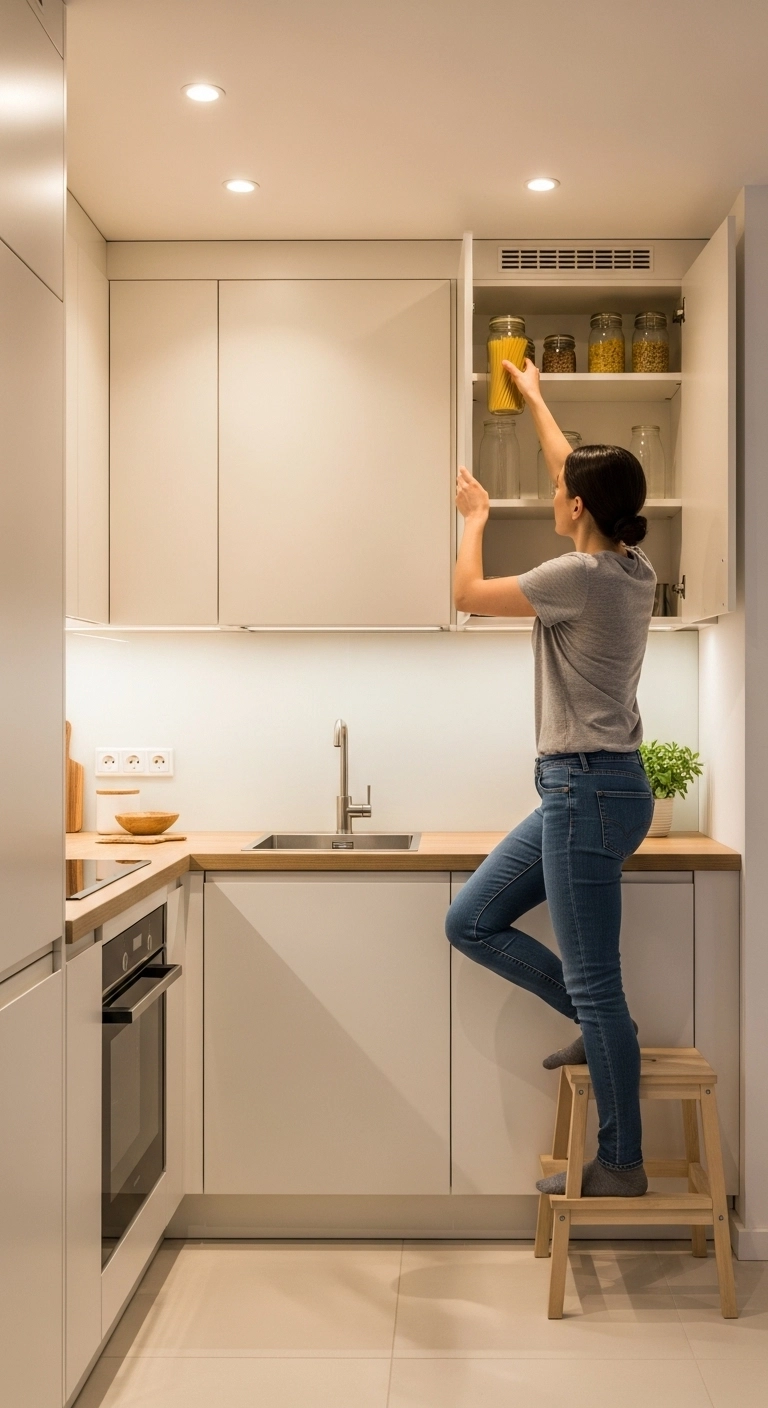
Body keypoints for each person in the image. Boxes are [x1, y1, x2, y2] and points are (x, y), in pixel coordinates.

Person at [445, 355, 656, 1197]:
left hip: (584, 793)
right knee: (471, 919)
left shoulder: (573, 578)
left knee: (597, 981)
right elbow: (572, 467)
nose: (559, 488)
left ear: (577, 510)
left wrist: (475, 515)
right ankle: (600, 1028)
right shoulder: (630, 567)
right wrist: (534, 397)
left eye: (565, 488)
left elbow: (465, 592)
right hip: (598, 790)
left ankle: (623, 1164)